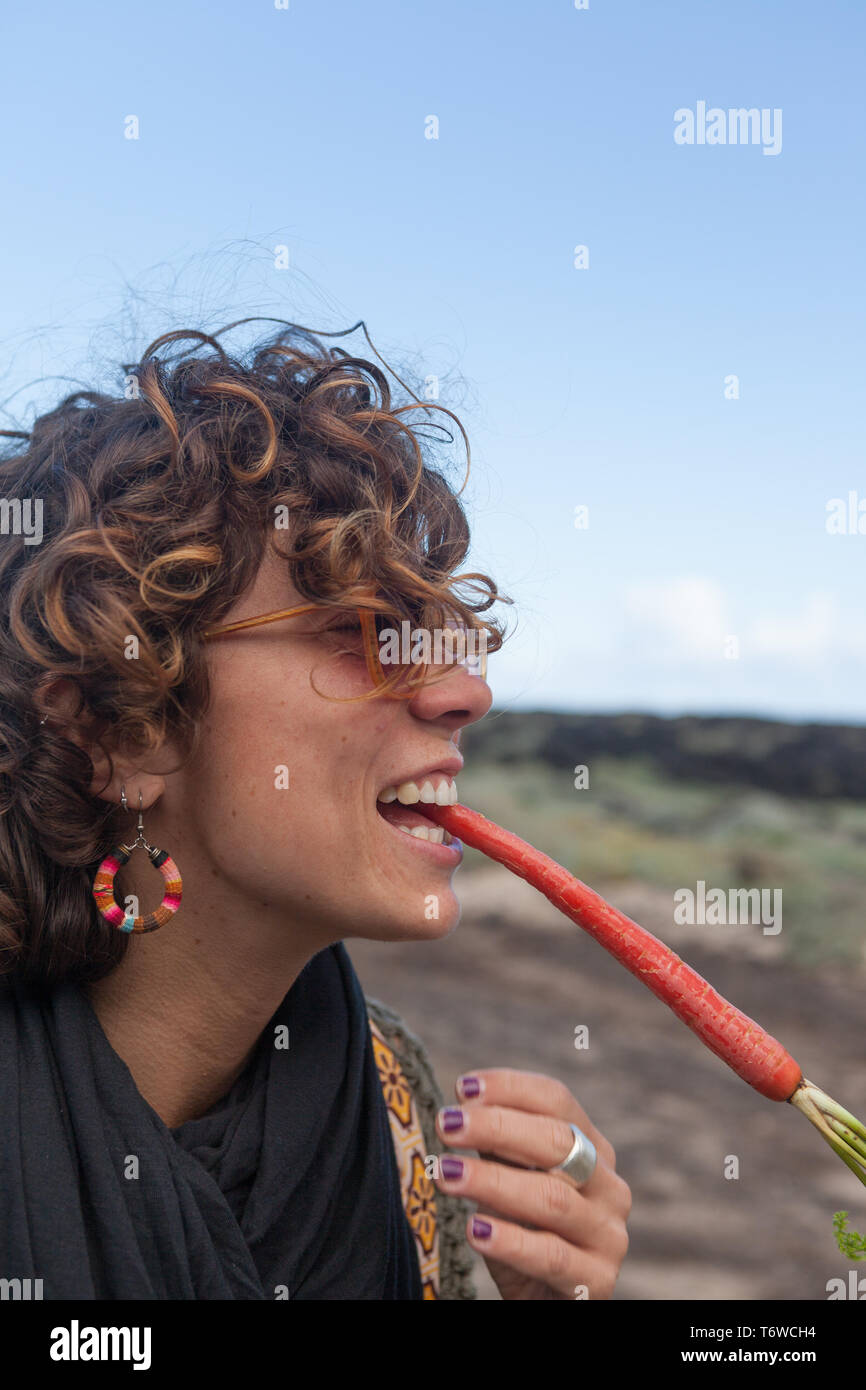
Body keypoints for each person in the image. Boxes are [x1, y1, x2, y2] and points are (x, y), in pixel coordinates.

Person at [0, 319, 631, 1300]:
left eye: (440, 634)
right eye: (362, 629)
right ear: (112, 732)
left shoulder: (399, 1103)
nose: (462, 692)